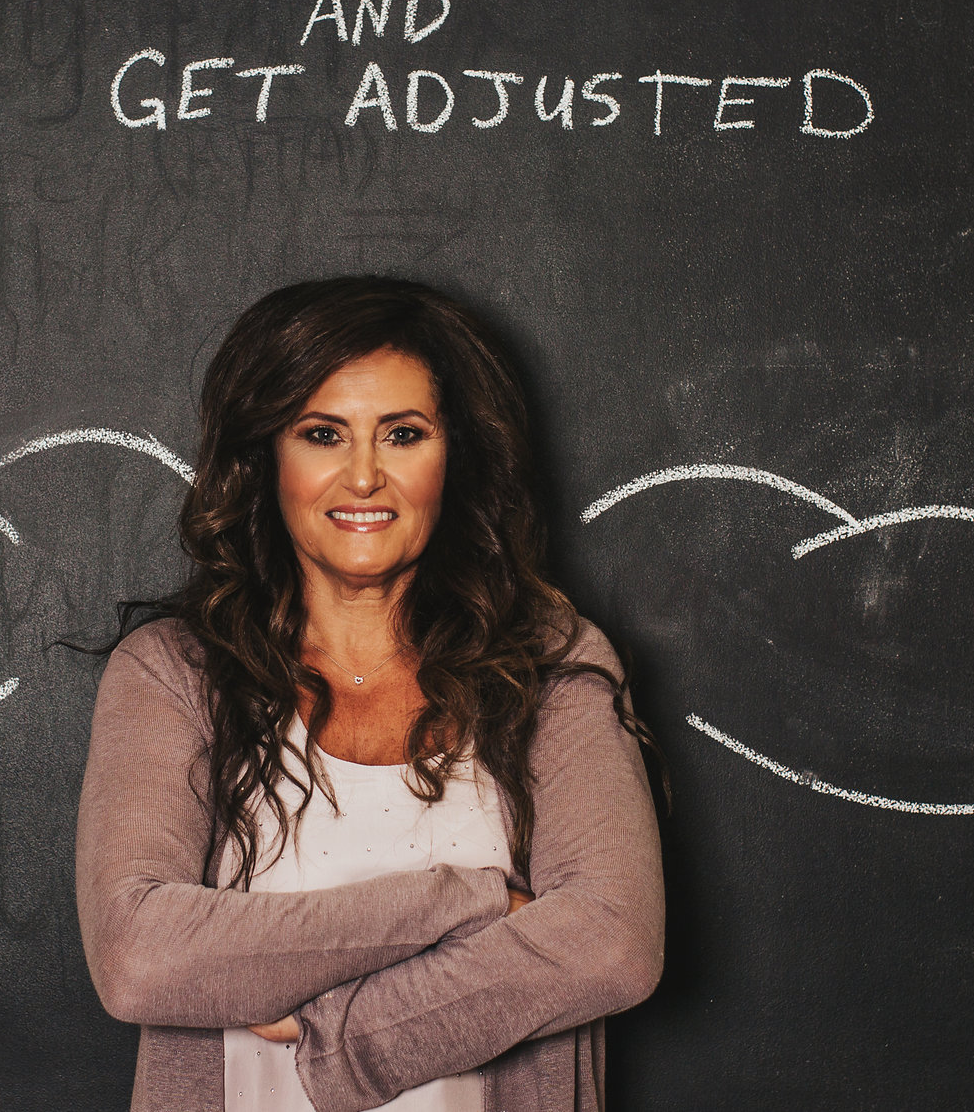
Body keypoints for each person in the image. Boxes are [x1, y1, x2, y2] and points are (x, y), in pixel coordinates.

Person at [75, 276, 665, 1111]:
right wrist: (467, 901)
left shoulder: (550, 663)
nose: (362, 477)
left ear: (453, 453)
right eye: (323, 434)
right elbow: (139, 958)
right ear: (268, 456)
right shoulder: (172, 672)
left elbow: (613, 942)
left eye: (403, 434)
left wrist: (342, 1034)